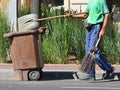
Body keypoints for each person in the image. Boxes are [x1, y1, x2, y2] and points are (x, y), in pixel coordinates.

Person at [68, 0, 114, 80]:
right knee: (88, 51)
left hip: (97, 27)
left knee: (93, 52)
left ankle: (109, 69)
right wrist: (72, 16)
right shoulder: (91, 1)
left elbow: (107, 15)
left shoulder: (101, 1)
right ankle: (91, 73)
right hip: (90, 28)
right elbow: (85, 15)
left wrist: (103, 29)